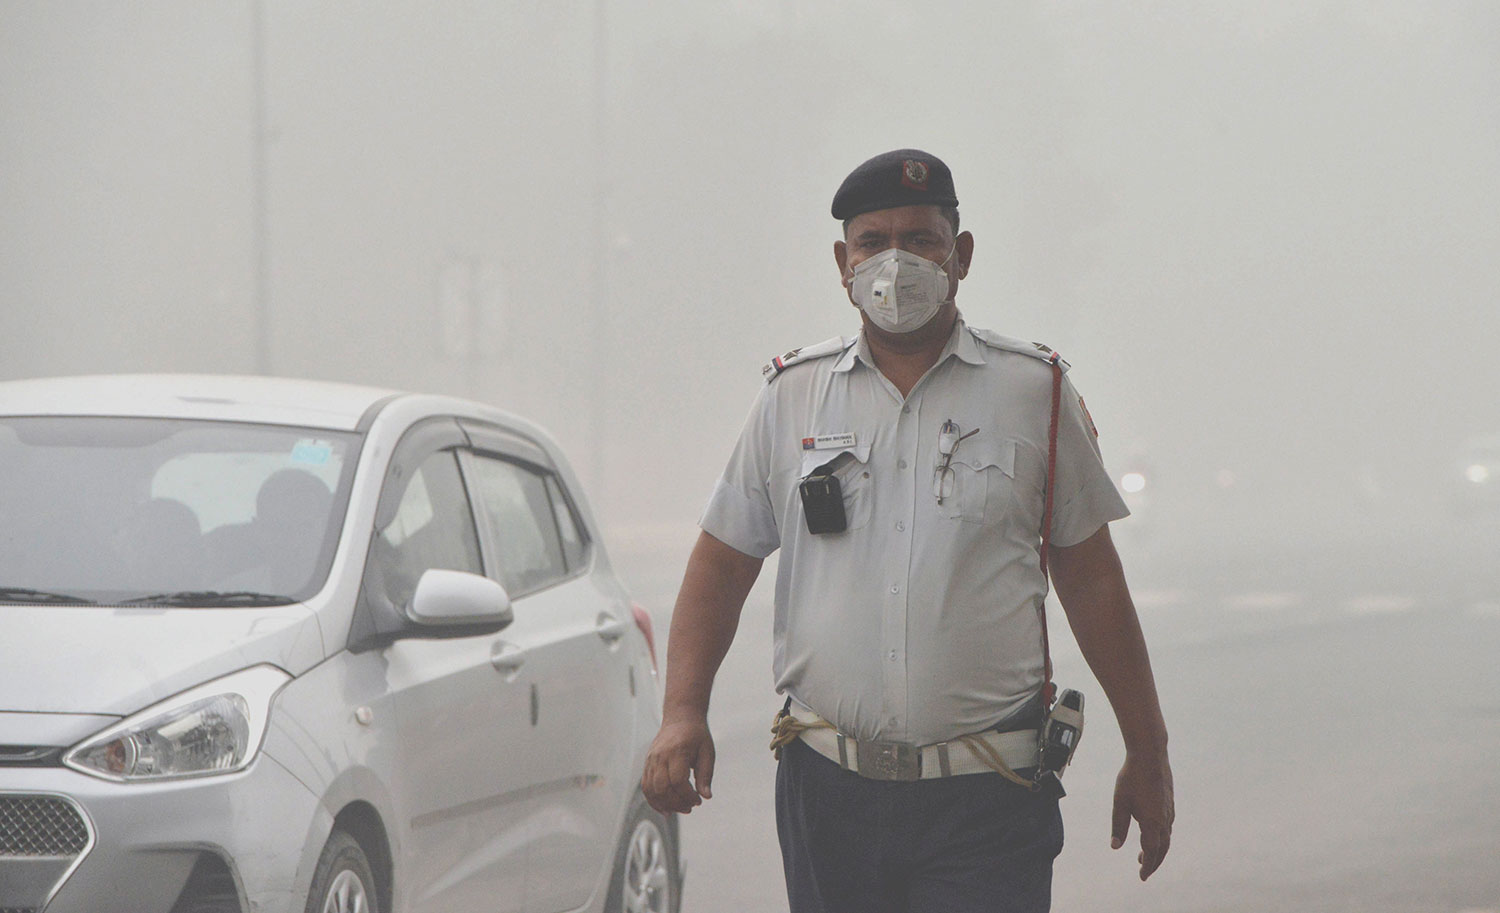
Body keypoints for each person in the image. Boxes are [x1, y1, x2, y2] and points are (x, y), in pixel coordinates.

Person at [642, 148, 1174, 912]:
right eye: (872, 241)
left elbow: (1091, 578)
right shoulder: (793, 398)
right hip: (829, 793)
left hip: (989, 794)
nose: (896, 262)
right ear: (842, 261)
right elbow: (722, 563)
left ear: (961, 256)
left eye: (922, 241)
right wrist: (683, 712)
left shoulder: (1035, 393)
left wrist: (1148, 751)